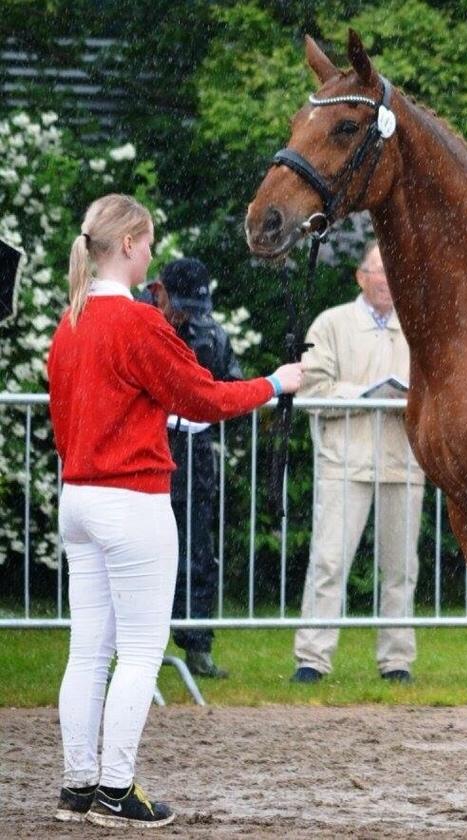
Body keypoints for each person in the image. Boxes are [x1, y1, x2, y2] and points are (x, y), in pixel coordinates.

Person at [48, 193, 302, 827]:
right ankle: (114, 790)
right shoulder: (136, 323)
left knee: (88, 650)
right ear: (130, 244)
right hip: (131, 499)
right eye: (149, 241)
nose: (153, 252)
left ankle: (80, 786)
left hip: (78, 496)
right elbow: (204, 397)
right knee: (138, 650)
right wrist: (274, 384)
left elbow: (63, 418)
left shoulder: (70, 321)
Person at [292, 240, 425, 684]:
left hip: (402, 463)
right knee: (329, 562)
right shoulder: (331, 324)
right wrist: (363, 394)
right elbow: (310, 389)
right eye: (377, 272)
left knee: (402, 570)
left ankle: (397, 661)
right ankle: (312, 658)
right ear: (360, 277)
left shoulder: (418, 327)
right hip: (344, 463)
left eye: (393, 272)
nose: (386, 281)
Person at [145, 258, 244, 679]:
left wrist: (213, 405)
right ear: (159, 291)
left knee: (196, 556)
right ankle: (130, 646)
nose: (186, 316)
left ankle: (197, 644)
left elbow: (232, 382)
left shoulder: (212, 333)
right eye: (181, 306)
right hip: (147, 452)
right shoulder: (137, 322)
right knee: (139, 554)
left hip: (194, 456)